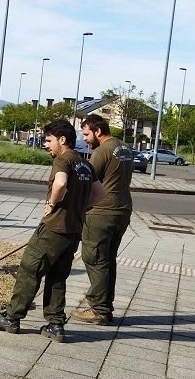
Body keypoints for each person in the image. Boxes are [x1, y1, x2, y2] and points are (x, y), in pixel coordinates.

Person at [0, 119, 104, 342]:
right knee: (57, 276)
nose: (46, 145)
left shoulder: (63, 160)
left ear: (62, 140)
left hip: (53, 228)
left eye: (49, 140)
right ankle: (56, 325)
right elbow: (100, 194)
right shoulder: (84, 164)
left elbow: (60, 184)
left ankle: (12, 316)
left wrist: (52, 204)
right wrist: (79, 207)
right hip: (73, 231)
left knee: (30, 269)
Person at [72, 114, 133, 325]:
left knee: (95, 258)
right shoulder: (124, 148)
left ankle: (98, 309)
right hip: (122, 210)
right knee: (107, 260)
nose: (86, 139)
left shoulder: (102, 151)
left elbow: (86, 181)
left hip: (102, 212)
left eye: (87, 134)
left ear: (98, 131)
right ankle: (105, 305)